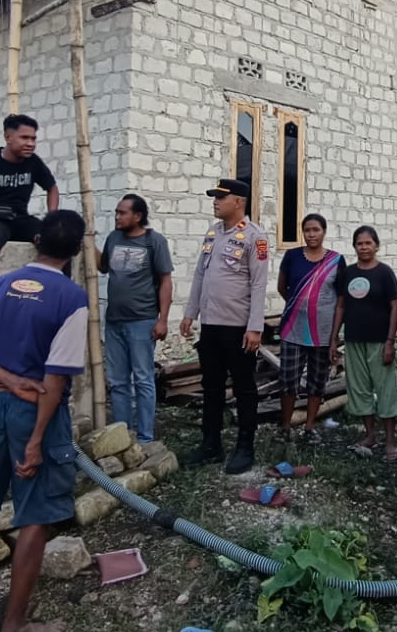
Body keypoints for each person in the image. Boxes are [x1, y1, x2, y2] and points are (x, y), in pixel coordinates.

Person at [0, 209, 88, 632]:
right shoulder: (71, 298)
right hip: (34, 411)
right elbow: (54, 380)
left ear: (35, 241)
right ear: (78, 249)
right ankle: (12, 629)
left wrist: (4, 379)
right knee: (34, 516)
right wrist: (34, 442)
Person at [179, 178, 270, 473]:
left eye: (221, 197)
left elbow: (259, 285)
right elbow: (199, 276)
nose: (215, 201)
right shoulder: (213, 233)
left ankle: (245, 447)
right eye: (214, 197)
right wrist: (190, 313)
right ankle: (211, 445)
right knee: (212, 386)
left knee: (244, 389)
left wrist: (255, 327)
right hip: (211, 326)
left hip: (238, 327)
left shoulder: (256, 237)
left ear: (238, 202)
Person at [99, 194, 173, 444]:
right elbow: (102, 267)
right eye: (117, 212)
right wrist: (85, 241)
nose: (117, 217)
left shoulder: (154, 242)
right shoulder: (113, 238)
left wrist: (162, 320)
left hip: (142, 321)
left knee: (142, 379)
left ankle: (144, 437)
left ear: (138, 216)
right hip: (114, 321)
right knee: (118, 382)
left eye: (122, 213)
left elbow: (165, 281)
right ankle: (123, 435)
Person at [330, 226, 397, 461]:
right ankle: (370, 435)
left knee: (385, 390)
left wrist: (390, 341)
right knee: (359, 390)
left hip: (380, 341)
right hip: (354, 340)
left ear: (376, 245)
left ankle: (390, 440)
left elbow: (394, 307)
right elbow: (341, 306)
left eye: (368, 243)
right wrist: (334, 338)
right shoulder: (348, 273)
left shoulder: (385, 273)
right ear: (354, 247)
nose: (364, 248)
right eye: (359, 244)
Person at [276, 213, 345, 440]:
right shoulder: (292, 256)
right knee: (288, 380)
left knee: (317, 381)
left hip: (323, 334)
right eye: (307, 230)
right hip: (292, 330)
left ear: (324, 232)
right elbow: (282, 286)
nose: (311, 234)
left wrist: (334, 337)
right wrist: (298, 306)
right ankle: (285, 427)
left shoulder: (336, 260)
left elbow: (341, 301)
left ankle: (309, 427)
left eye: (316, 230)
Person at [0, 113, 60, 275]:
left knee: (56, 240)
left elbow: (51, 187)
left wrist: (51, 218)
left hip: (21, 218)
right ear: (8, 137)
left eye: (33, 139)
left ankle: (58, 289)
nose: (30, 144)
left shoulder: (33, 162)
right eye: (24, 138)